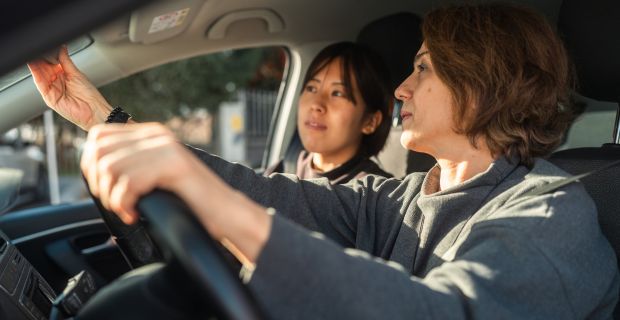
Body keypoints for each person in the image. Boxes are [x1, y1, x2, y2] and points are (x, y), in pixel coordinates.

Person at [28, 3, 619, 319]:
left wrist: (224, 211)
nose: (402, 90)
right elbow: (279, 198)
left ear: (484, 86)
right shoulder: (406, 199)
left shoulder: (551, 220)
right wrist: (105, 121)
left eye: (424, 69)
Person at [263, 42, 393, 183]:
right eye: (311, 88)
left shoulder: (378, 196)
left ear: (370, 121)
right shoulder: (282, 170)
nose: (316, 104)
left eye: (337, 93)